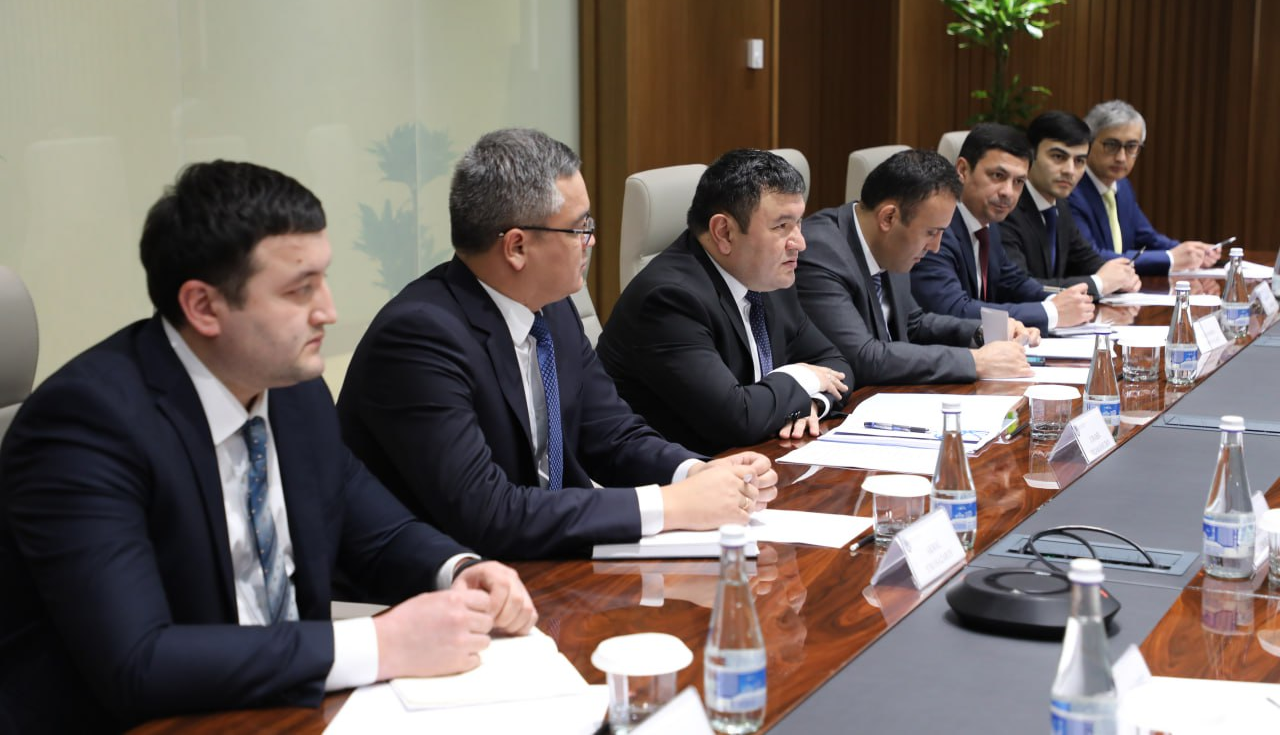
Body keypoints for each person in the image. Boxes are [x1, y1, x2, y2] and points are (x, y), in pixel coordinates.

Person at [0, 161, 536, 733]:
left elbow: (378, 534)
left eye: (323, 279)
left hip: (281, 710)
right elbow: (138, 662)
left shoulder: (293, 391)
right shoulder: (85, 426)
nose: (328, 311)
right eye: (299, 290)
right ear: (203, 307)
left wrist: (459, 571)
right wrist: (380, 643)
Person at [338, 129, 776, 562]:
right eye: (579, 227)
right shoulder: (419, 339)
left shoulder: (553, 309)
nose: (591, 240)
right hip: (449, 581)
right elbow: (486, 514)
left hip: (549, 559)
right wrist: (671, 504)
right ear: (517, 247)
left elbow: (611, 434)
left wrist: (696, 472)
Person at [598, 148, 851, 455]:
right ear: (724, 232)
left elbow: (836, 364)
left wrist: (812, 402)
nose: (800, 242)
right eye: (781, 226)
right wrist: (804, 377)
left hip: (754, 459)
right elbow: (737, 419)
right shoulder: (669, 300)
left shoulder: (769, 277)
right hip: (682, 471)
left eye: (798, 223)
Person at [796, 149, 1036, 387]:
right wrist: (976, 361)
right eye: (931, 233)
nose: (935, 247)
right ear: (888, 218)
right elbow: (863, 358)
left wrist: (981, 332)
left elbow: (914, 324)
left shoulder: (890, 245)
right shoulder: (821, 251)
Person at [910, 123, 1096, 332]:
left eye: (1018, 182)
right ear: (962, 170)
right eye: (997, 176)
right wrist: (1051, 312)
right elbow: (952, 309)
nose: (1008, 192)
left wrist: (1060, 299)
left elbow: (1014, 282)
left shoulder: (988, 224)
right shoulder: (937, 229)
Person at [1068, 100, 1221, 274]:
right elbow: (1093, 257)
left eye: (1131, 147)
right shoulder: (1072, 190)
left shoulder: (1122, 185)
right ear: (1088, 143)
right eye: (1111, 145)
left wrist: (1192, 252)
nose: (1121, 157)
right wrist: (1170, 258)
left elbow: (1147, 238)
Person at [1001, 111, 1141, 296]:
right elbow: (1018, 287)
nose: (1070, 170)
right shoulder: (1006, 207)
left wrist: (1122, 276)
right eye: (1058, 157)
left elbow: (1086, 259)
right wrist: (1099, 283)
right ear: (1030, 155)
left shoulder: (1060, 205)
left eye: (1079, 161)